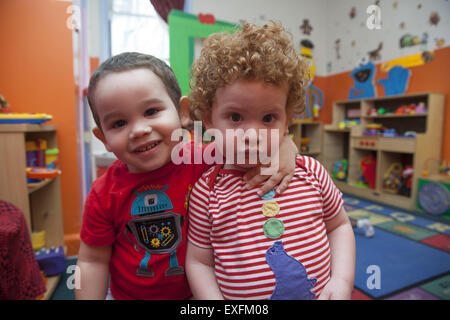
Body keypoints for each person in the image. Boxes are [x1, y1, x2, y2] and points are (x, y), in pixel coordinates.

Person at [75, 52, 299, 300]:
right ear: (104, 137)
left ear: (182, 112)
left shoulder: (204, 158)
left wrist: (285, 145)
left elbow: (252, 145)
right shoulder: (103, 194)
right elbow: (92, 262)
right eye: (118, 123)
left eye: (151, 111)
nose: (139, 130)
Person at [186, 22, 356, 300]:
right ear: (208, 119)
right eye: (236, 117)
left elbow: (339, 225)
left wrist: (342, 280)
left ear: (286, 120)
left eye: (268, 118)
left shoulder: (311, 172)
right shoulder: (207, 191)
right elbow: (199, 261)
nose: (252, 134)